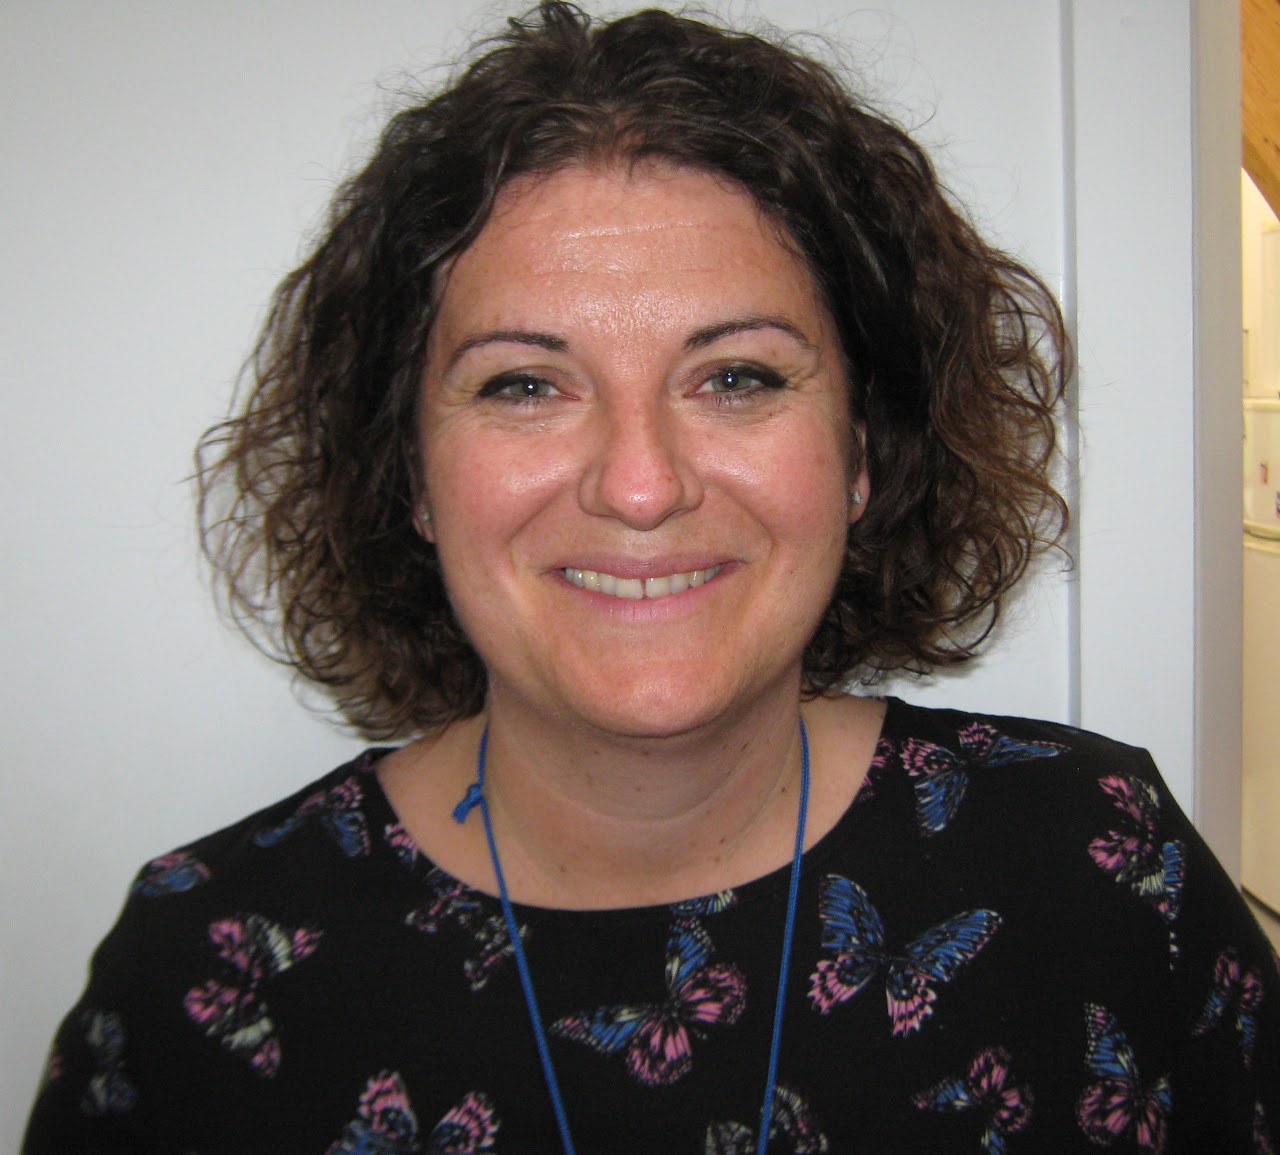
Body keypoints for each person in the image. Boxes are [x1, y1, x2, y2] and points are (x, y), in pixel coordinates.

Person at [24, 2, 1278, 1151]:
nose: (639, 485)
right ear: (408, 473)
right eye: (524, 384)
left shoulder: (1098, 871)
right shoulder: (202, 973)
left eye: (735, 377)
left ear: (861, 451)